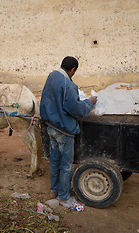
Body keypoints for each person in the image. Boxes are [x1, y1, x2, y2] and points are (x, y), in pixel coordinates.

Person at [40, 56, 97, 206]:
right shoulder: (69, 85)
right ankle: (63, 197)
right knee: (66, 165)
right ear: (73, 70)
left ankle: (54, 190)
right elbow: (76, 110)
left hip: (50, 127)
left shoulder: (52, 76)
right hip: (64, 131)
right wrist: (89, 102)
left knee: (54, 160)